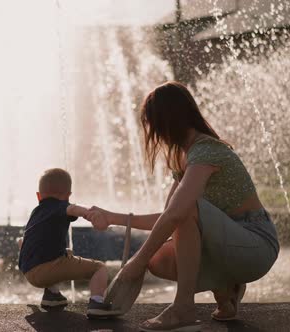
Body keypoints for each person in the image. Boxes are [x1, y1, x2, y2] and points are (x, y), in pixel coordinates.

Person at [87, 81, 279, 331]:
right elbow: (168, 218)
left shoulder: (207, 150)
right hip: (230, 243)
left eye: (152, 123)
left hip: (257, 245)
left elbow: (179, 213)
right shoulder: (185, 158)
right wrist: (113, 217)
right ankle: (226, 288)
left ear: (167, 120)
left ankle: (184, 308)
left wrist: (135, 262)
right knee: (157, 259)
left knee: (181, 215)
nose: (153, 132)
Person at [18, 168, 121, 318]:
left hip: (28, 270)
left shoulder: (37, 211)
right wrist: (89, 214)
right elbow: (72, 208)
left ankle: (52, 295)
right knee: (99, 268)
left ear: (38, 196)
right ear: (67, 196)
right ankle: (97, 303)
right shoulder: (60, 206)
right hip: (46, 269)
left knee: (64, 252)